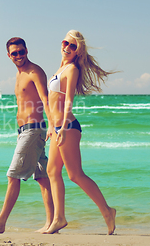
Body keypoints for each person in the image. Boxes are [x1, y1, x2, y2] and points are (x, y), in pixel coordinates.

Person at [0, 37, 54, 234]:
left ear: (27, 50)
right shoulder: (19, 75)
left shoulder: (34, 72)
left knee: (13, 175)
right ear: (9, 56)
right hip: (24, 131)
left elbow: (45, 99)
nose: (19, 56)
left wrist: (52, 124)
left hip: (34, 129)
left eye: (21, 51)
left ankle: (0, 223)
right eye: (14, 53)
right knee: (42, 177)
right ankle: (53, 223)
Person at [44, 30, 116, 235]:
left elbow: (68, 100)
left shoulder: (72, 69)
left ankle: (107, 211)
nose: (67, 47)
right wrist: (51, 125)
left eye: (72, 46)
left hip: (68, 127)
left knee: (75, 174)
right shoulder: (61, 68)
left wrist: (63, 125)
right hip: (57, 127)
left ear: (78, 51)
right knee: (52, 171)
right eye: (65, 43)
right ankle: (59, 218)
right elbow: (52, 99)